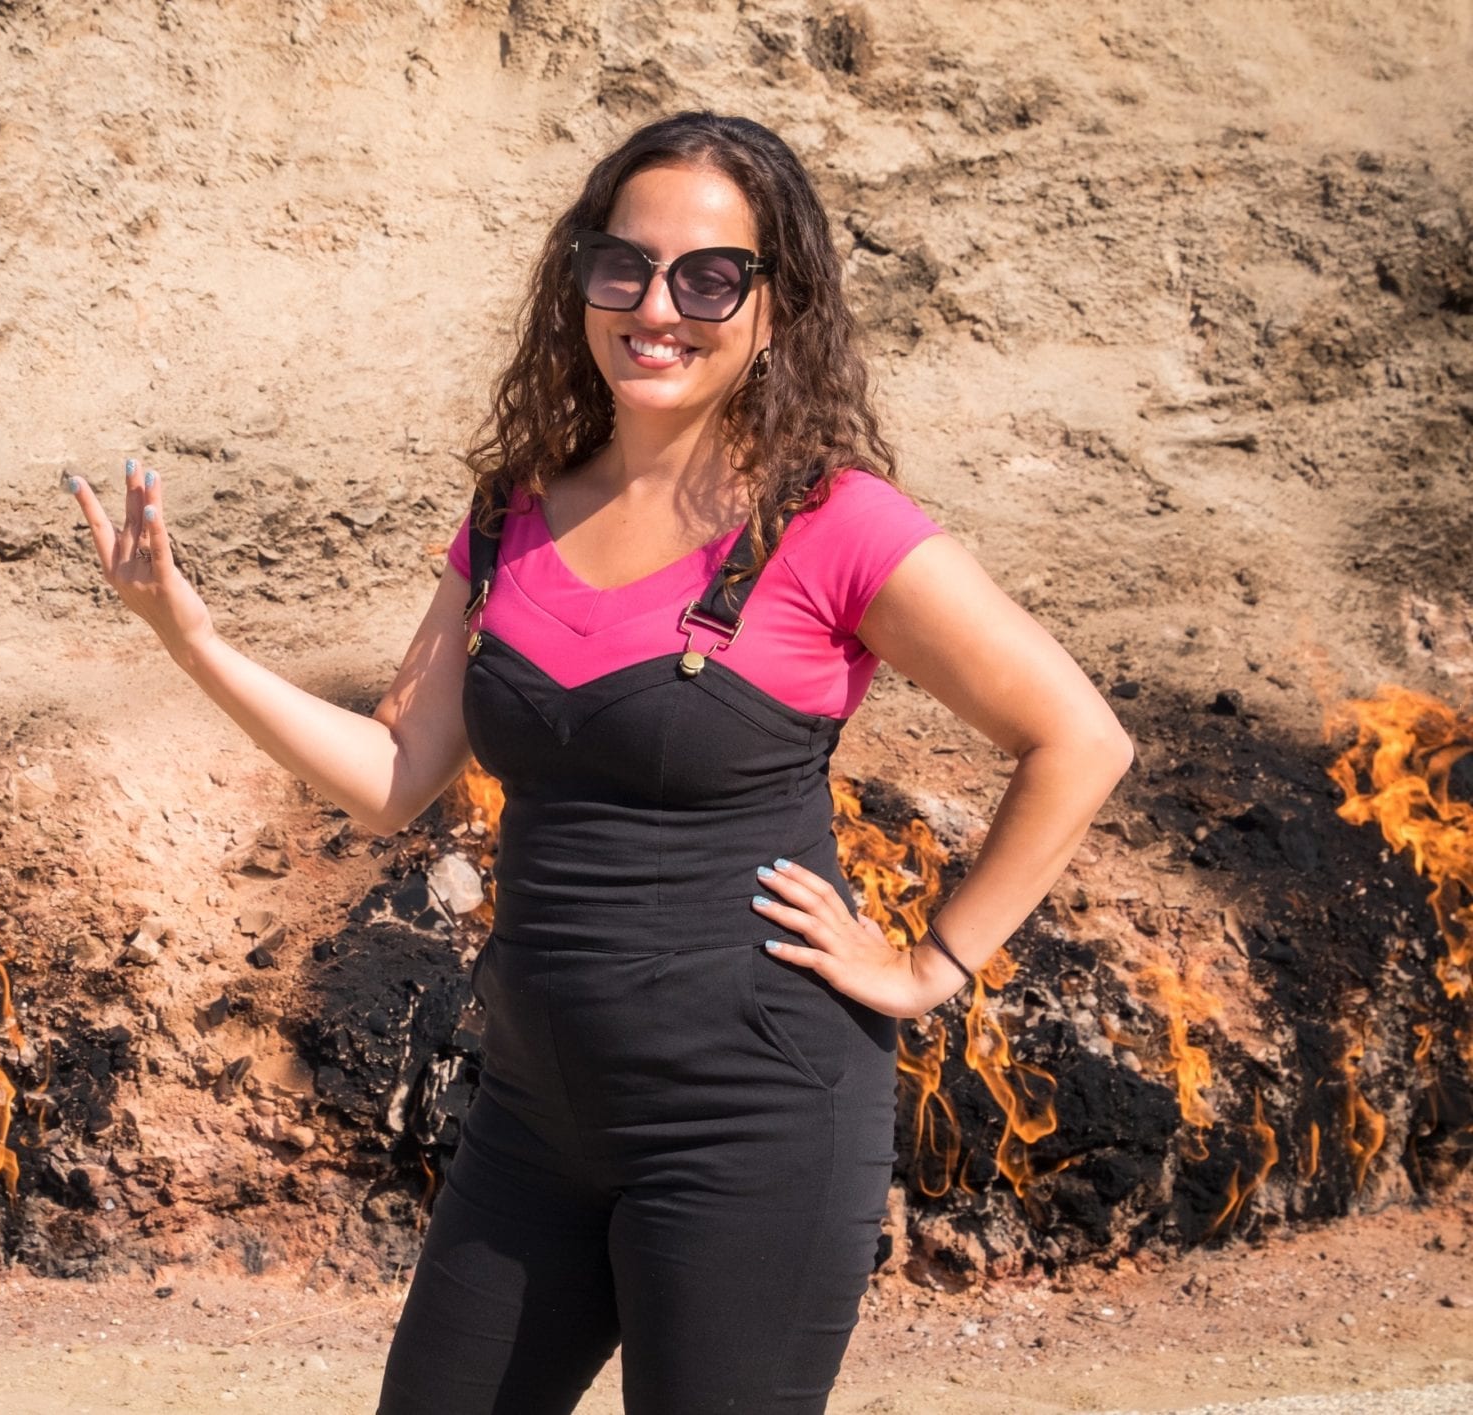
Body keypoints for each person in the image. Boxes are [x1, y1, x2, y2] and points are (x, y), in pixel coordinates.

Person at [70, 110, 1133, 1414]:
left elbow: (1077, 739)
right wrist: (193, 638)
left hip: (754, 1118)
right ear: (580, 276)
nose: (657, 307)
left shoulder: (835, 525)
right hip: (532, 1122)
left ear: (774, 306)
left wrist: (928, 963)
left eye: (709, 277)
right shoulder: (514, 508)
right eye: (622, 265)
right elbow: (398, 772)